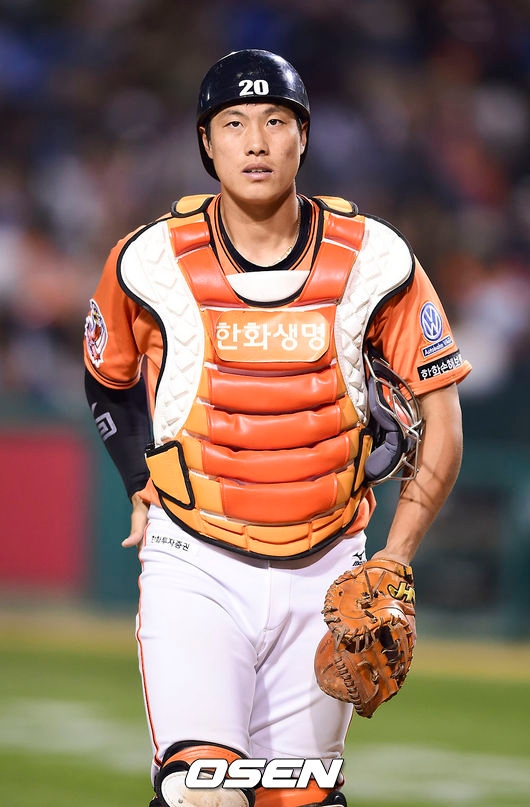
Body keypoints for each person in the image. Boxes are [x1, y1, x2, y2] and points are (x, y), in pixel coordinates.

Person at [84, 49, 471, 807]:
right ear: (206, 142)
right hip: (194, 558)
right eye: (233, 123)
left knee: (299, 798)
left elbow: (443, 415)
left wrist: (395, 560)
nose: (256, 141)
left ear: (304, 136)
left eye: (275, 121)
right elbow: (107, 378)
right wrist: (136, 481)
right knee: (205, 792)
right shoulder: (146, 259)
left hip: (330, 569)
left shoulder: (378, 259)